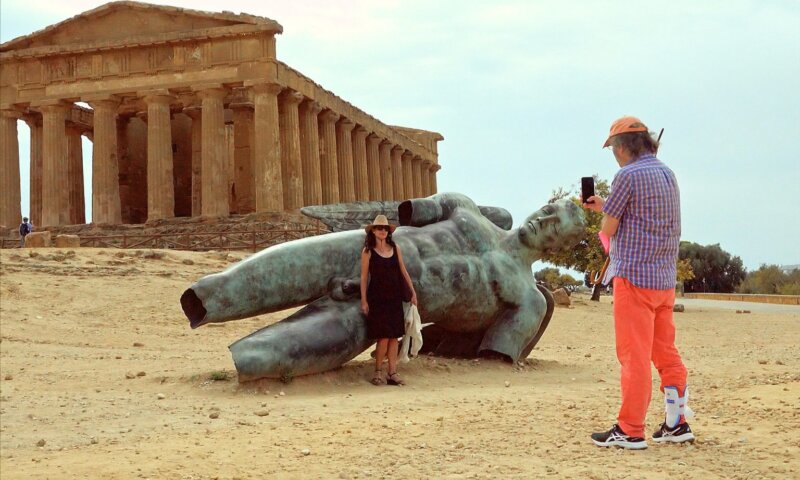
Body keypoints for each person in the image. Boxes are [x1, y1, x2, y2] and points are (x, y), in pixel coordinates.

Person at [585, 116, 693, 449]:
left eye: (614, 148)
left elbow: (609, 229)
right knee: (666, 353)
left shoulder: (626, 175)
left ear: (623, 147)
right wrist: (608, 207)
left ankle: (630, 428)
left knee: (633, 357)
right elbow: (643, 218)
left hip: (633, 278)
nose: (614, 155)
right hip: (663, 280)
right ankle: (677, 423)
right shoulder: (667, 173)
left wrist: (602, 215)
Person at [360, 214, 417, 386]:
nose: (383, 231)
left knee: (394, 337)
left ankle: (392, 373)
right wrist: (364, 301)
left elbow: (403, 271)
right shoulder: (367, 251)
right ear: (373, 231)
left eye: (385, 228)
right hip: (377, 298)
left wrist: (413, 292)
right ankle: (378, 372)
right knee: (383, 337)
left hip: (394, 297)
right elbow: (363, 278)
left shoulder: (395, 247)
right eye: (379, 228)